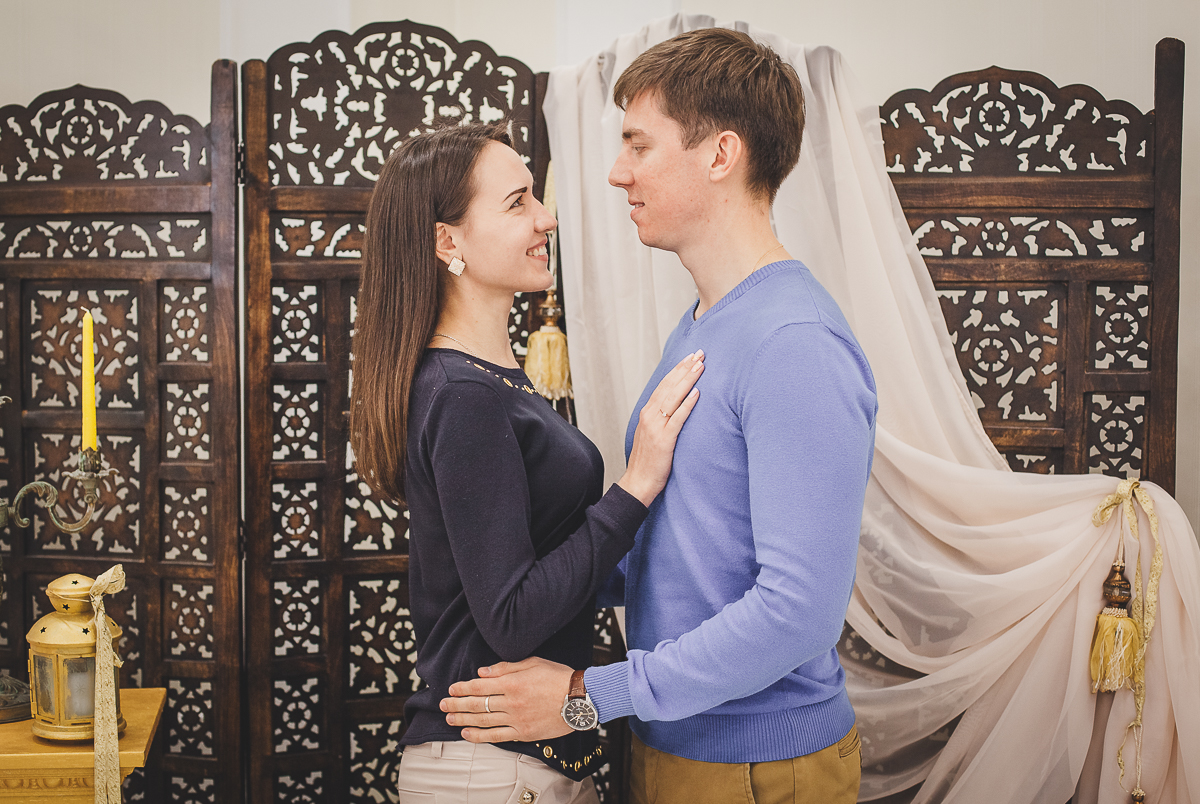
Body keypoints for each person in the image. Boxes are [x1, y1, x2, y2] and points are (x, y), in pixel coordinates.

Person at [441, 28, 877, 804]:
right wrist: (516, 581)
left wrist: (586, 695)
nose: (618, 172)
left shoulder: (794, 341)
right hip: (669, 745)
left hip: (759, 769)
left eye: (639, 145)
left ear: (720, 154)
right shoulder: (703, 323)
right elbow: (684, 554)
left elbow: (798, 615)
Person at [349, 122, 705, 803]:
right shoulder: (465, 395)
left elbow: (545, 565)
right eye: (517, 203)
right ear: (447, 242)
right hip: (489, 772)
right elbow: (511, 617)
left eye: (536, 197)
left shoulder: (487, 381)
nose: (546, 218)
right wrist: (635, 487)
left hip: (521, 767)